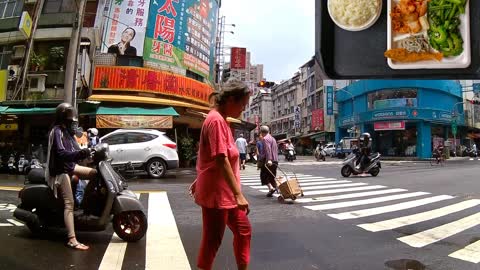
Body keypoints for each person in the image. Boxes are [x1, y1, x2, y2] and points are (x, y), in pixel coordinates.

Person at [189, 79, 252, 270]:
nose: (243, 109)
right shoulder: (215, 120)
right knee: (212, 241)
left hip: (226, 193)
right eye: (242, 104)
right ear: (231, 100)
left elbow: (209, 157)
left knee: (243, 231)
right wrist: (238, 194)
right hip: (218, 195)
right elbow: (220, 159)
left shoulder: (222, 120)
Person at [46, 103, 97, 251]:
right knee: (69, 204)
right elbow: (61, 154)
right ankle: (72, 239)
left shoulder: (67, 132)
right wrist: (80, 153)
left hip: (70, 166)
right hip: (59, 171)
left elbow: (77, 148)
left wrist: (90, 151)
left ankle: (87, 205)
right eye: (70, 118)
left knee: (94, 174)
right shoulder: (57, 131)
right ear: (62, 117)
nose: (73, 121)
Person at [259, 125, 278, 197]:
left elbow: (268, 150)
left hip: (268, 160)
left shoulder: (265, 139)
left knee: (264, 176)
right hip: (275, 160)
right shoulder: (273, 138)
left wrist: (269, 159)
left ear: (261, 132)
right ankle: (276, 189)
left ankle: (271, 188)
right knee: (272, 176)